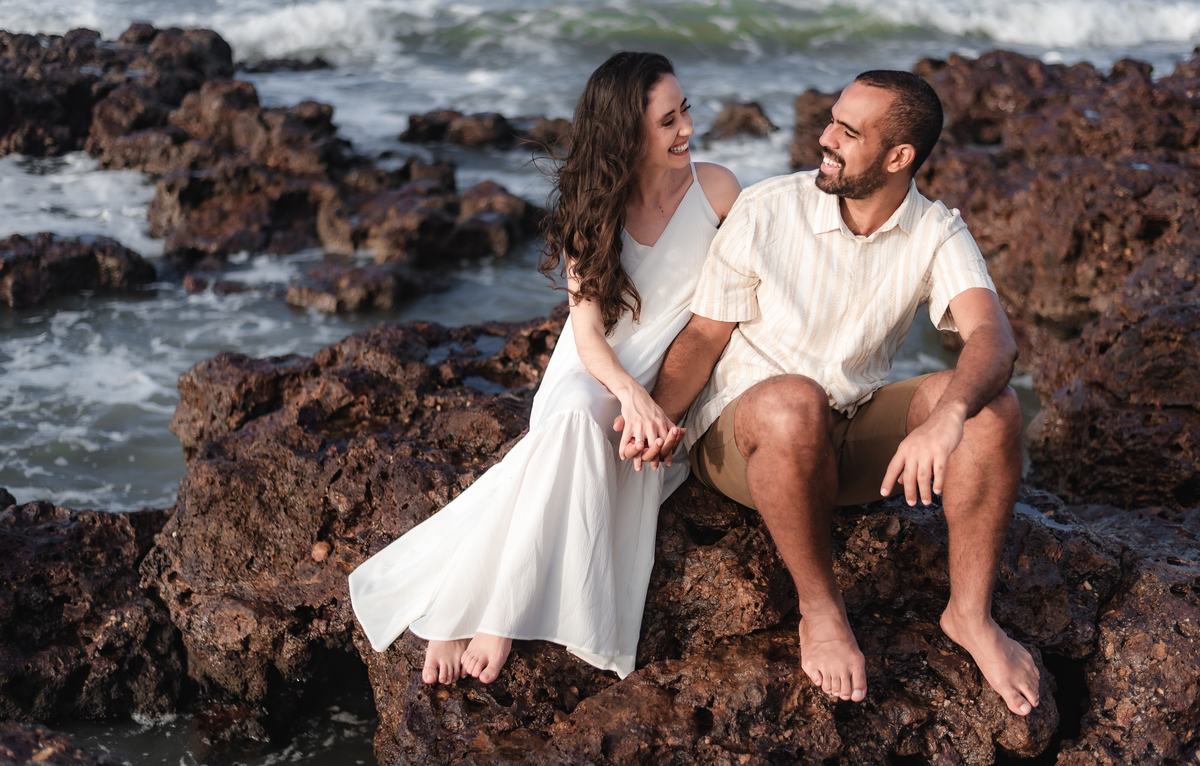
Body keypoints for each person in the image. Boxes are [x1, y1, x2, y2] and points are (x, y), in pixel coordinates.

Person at [628, 70, 1041, 716]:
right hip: (746, 436)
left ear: (899, 157)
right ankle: (820, 610)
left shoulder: (936, 231)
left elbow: (993, 336)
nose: (826, 138)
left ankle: (970, 614)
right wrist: (658, 419)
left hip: (846, 429)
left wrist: (948, 417)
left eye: (848, 132)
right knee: (794, 401)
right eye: (831, 121)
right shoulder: (768, 207)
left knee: (993, 407)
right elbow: (706, 334)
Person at [348, 51, 741, 686]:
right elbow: (586, 335)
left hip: (667, 380)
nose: (687, 129)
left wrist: (661, 401)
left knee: (556, 454)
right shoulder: (594, 208)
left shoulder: (718, 190)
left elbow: (738, 300)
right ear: (626, 133)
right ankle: (499, 615)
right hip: (593, 372)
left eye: (685, 110)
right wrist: (629, 395)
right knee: (576, 419)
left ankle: (457, 605)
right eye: (668, 121)